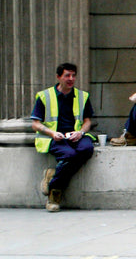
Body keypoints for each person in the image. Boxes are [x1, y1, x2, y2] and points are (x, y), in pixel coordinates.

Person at [31, 63, 95, 212]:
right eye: (67, 75)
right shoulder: (44, 96)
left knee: (87, 149)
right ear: (58, 77)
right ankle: (55, 193)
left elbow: (87, 122)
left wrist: (80, 133)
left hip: (75, 135)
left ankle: (52, 178)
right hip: (54, 137)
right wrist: (52, 133)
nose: (71, 79)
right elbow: (35, 124)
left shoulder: (82, 96)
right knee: (69, 155)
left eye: (73, 75)